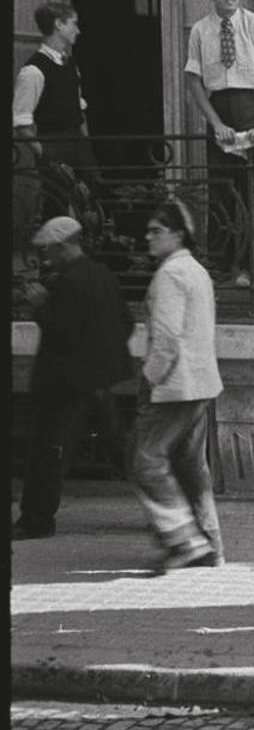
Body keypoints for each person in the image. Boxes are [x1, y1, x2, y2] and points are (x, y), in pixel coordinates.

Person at [12, 217, 134, 541]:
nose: (46, 257)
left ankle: (36, 520)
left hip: (66, 385)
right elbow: (126, 322)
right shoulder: (103, 276)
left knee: (48, 452)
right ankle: (168, 508)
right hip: (99, 382)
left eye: (49, 249)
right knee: (121, 450)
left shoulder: (67, 283)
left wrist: (40, 306)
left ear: (63, 246)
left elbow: (63, 334)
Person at [130, 200, 225, 572]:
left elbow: (167, 338)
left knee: (145, 461)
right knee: (190, 467)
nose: (148, 237)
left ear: (177, 234)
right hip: (200, 382)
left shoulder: (170, 274)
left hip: (173, 383)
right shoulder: (196, 270)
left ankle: (185, 540)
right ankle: (210, 545)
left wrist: (150, 377)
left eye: (156, 230)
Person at [185, 0, 254, 287]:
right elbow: (194, 82)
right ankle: (226, 270)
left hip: (252, 106)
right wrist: (216, 123)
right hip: (221, 112)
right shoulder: (201, 30)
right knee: (222, 193)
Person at [12, 2, 98, 257]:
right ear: (59, 25)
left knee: (92, 203)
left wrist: (86, 143)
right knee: (56, 208)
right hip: (53, 144)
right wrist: (45, 155)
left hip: (78, 143)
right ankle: (53, 271)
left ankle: (90, 263)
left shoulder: (71, 64)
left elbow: (79, 108)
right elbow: (21, 124)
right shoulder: (33, 71)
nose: (78, 30)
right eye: (74, 23)